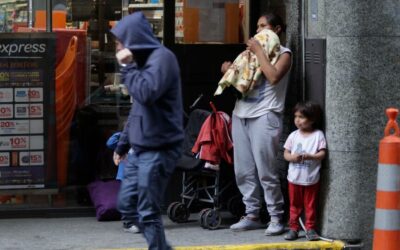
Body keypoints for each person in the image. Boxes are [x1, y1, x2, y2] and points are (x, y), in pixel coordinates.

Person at [110, 12, 184, 250]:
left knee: (147, 211)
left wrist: (127, 66)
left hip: (159, 149)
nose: (118, 47)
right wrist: (123, 144)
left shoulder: (163, 59)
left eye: (120, 41)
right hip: (139, 150)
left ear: (133, 38)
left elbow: (146, 94)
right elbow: (136, 110)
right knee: (126, 206)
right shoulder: (141, 63)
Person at [223, 12, 292, 235]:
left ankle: (276, 217)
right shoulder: (249, 55)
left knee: (266, 169)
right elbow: (240, 85)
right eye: (257, 27)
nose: (258, 31)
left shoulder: (284, 54)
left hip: (265, 115)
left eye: (263, 26)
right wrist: (229, 72)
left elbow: (273, 77)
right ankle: (252, 213)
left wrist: (259, 51)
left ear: (277, 29)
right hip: (241, 113)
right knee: (243, 169)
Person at [283, 101, 326, 241]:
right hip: (294, 178)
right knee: (294, 205)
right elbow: (286, 154)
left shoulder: (318, 135)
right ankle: (293, 228)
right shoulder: (293, 135)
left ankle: (310, 228)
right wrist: (292, 158)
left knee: (310, 205)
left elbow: (322, 154)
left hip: (311, 179)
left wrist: (311, 156)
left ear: (312, 119)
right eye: (296, 116)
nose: (297, 120)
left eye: (301, 117)